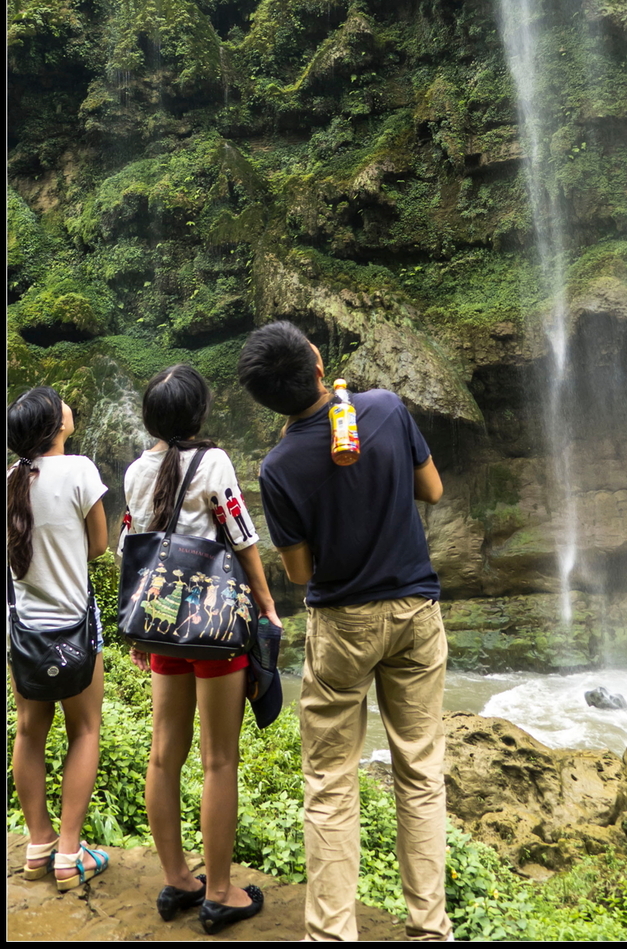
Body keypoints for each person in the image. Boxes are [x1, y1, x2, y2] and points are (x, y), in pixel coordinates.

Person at [238, 320, 453, 944]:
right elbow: (432, 490)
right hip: (415, 612)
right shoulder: (384, 408)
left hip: (342, 626)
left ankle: (331, 936)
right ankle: (429, 928)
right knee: (420, 771)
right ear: (317, 361)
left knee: (330, 783)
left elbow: (302, 573)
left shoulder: (277, 466)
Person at [119, 363, 278, 932]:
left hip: (163, 625)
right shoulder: (213, 462)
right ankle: (219, 891)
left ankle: (176, 881)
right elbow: (240, 534)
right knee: (219, 758)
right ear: (198, 412)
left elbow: (129, 548)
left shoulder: (138, 469)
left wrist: (142, 627)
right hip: (212, 629)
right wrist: (264, 604)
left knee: (164, 754)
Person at [7, 386, 110, 891]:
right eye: (59, 403)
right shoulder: (81, 470)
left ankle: (37, 845)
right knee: (85, 729)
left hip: (24, 632)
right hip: (75, 628)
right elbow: (99, 544)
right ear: (54, 425)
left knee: (29, 731)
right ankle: (70, 854)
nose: (69, 404)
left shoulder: (9, 480)